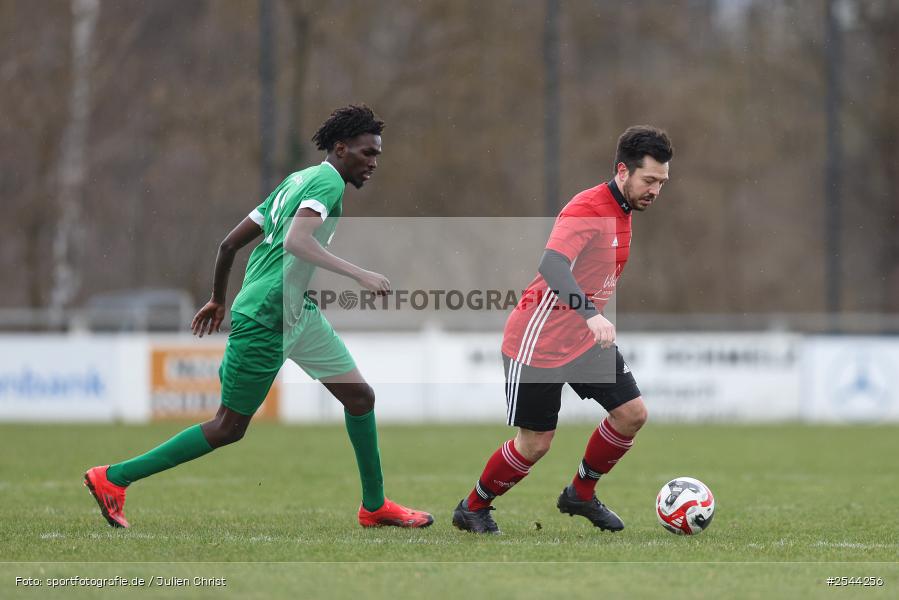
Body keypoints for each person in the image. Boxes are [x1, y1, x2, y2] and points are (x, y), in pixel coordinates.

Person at [85, 105, 433, 529]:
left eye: (377, 154)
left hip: (295, 313)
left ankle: (375, 506)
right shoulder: (326, 183)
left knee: (360, 398)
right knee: (228, 427)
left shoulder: (297, 180)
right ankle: (113, 478)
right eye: (367, 153)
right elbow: (295, 242)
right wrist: (359, 274)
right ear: (341, 149)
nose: (374, 163)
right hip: (266, 319)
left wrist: (216, 298)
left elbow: (228, 245)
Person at [452, 126, 673, 534]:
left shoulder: (624, 211)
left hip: (584, 341)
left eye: (662, 182)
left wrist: (589, 321)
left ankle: (580, 495)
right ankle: (472, 507)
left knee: (631, 415)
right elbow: (552, 265)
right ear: (623, 172)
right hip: (539, 342)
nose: (655, 190)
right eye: (649, 180)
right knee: (535, 444)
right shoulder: (587, 207)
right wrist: (591, 314)